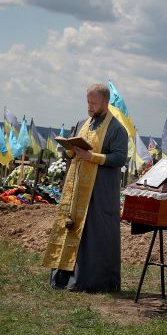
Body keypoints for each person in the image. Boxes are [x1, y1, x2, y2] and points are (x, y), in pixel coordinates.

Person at [44, 83, 128, 292]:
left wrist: (91, 156)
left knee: (95, 232)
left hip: (100, 191)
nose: (89, 107)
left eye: (94, 103)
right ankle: (63, 277)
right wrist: (70, 149)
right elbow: (72, 152)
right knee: (71, 228)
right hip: (77, 189)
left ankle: (93, 281)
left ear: (106, 103)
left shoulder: (117, 129)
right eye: (88, 102)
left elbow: (119, 158)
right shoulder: (82, 123)